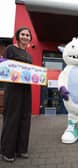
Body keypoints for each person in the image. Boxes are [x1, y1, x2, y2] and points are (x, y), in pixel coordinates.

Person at [0, 27, 32, 162]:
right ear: (18, 36)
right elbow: (3, 67)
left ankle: (21, 149)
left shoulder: (28, 54)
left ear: (30, 38)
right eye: (23, 34)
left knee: (25, 118)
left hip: (26, 89)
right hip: (13, 89)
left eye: (27, 35)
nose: (25, 36)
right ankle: (6, 151)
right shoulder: (10, 49)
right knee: (12, 118)